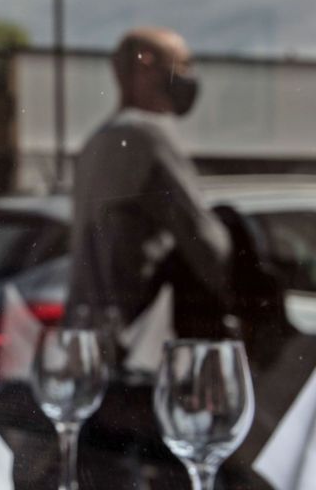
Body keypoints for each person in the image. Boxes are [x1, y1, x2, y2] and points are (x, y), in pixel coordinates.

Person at [67, 26, 232, 345]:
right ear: (146, 64)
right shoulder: (149, 136)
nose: (188, 76)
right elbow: (209, 245)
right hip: (136, 337)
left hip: (87, 334)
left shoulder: (97, 139)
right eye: (182, 64)